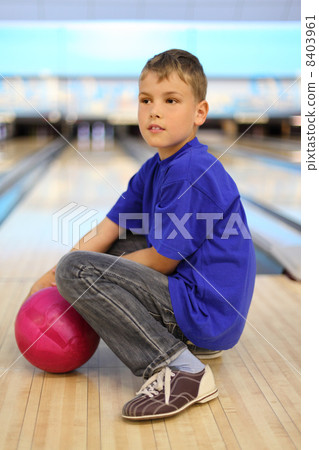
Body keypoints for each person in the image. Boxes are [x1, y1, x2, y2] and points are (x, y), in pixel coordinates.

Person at [29, 49, 256, 420]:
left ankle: (182, 369)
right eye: (146, 100)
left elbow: (163, 259)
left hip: (206, 313)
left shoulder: (192, 171)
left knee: (80, 271)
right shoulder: (154, 169)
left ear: (200, 113)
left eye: (171, 100)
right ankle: (186, 344)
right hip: (197, 304)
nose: (154, 110)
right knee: (87, 261)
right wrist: (52, 278)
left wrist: (80, 279)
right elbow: (107, 229)